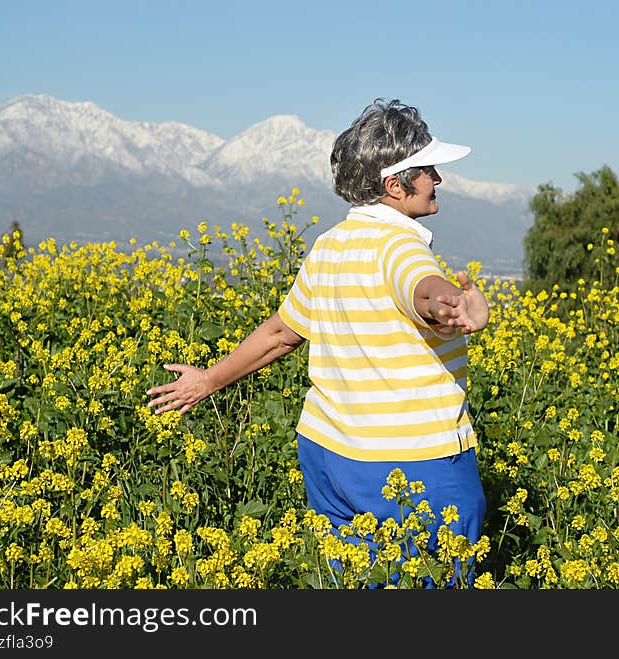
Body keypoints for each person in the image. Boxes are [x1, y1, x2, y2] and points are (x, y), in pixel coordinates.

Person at [146, 98, 489, 587]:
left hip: (330, 455)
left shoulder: (329, 246)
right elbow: (420, 290)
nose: (438, 179)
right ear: (395, 185)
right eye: (428, 169)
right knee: (435, 581)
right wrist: (453, 304)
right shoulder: (402, 249)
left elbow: (281, 333)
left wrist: (208, 381)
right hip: (411, 463)